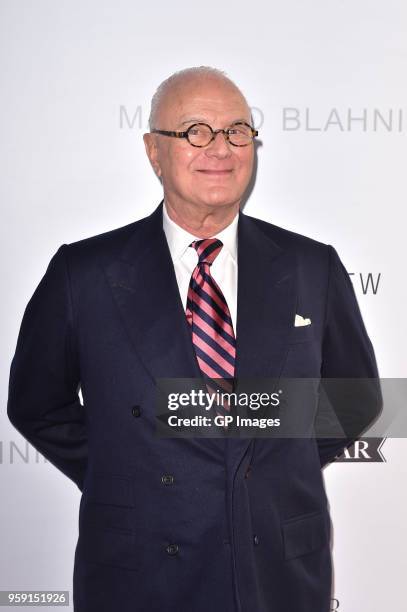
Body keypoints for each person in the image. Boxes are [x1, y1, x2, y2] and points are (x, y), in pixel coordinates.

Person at [7, 66, 381, 612]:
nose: (220, 148)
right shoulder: (82, 273)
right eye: (195, 131)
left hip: (277, 568)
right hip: (139, 570)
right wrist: (124, 468)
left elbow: (355, 400)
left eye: (237, 131)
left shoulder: (311, 267)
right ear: (153, 152)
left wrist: (272, 458)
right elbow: (37, 404)